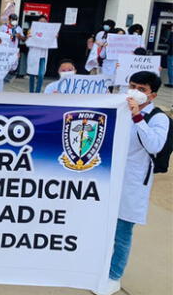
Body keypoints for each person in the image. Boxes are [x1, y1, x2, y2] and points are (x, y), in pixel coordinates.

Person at [94, 72, 169, 295]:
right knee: (100, 225)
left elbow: (155, 145)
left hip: (132, 181)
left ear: (152, 95)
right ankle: (99, 266)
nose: (134, 91)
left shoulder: (158, 117)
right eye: (132, 85)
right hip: (107, 176)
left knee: (122, 231)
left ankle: (114, 276)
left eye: (142, 89)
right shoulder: (120, 107)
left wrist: (138, 117)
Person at [27, 15, 56, 93]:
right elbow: (27, 42)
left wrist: (54, 37)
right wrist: (29, 36)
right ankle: (31, 92)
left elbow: (52, 42)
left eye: (44, 21)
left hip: (42, 56)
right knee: (32, 74)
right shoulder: (31, 30)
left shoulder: (49, 31)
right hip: (34, 54)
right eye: (41, 21)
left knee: (41, 75)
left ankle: (38, 91)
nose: (43, 23)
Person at [0, 14, 25, 82]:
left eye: (15, 19)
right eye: (13, 19)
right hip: (4, 49)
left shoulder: (18, 28)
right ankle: (1, 78)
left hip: (14, 49)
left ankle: (7, 77)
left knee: (13, 65)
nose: (14, 21)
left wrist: (19, 36)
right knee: (3, 64)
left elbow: (24, 39)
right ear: (9, 19)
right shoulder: (3, 27)